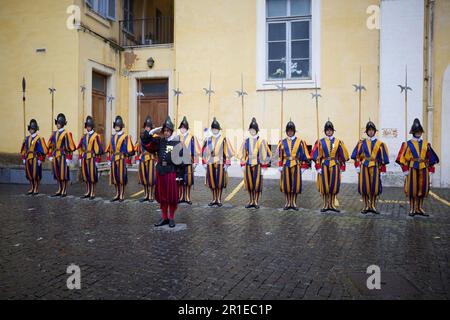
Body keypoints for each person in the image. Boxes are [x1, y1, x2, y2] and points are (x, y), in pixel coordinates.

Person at [141, 116, 185, 228]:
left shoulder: (177, 143)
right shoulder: (159, 141)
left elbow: (181, 161)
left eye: (168, 131)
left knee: (171, 197)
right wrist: (151, 131)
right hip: (161, 172)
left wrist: (179, 176)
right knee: (163, 196)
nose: (166, 133)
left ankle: (171, 218)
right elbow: (146, 143)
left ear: (171, 131)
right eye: (164, 131)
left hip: (171, 172)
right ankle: (164, 217)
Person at [397, 118, 439, 216]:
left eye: (420, 131)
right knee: (412, 189)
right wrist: (405, 170)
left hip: (423, 169)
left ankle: (419, 208)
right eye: (417, 131)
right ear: (413, 132)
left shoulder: (426, 144)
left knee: (422, 189)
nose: (418, 133)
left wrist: (431, 170)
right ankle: (412, 208)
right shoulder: (407, 144)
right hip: (412, 168)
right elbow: (401, 158)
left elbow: (431, 158)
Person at [351, 121, 389, 214]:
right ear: (367, 132)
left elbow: (382, 158)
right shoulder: (361, 143)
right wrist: (357, 166)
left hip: (375, 166)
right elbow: (356, 155)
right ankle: (365, 205)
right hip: (364, 166)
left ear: (375, 131)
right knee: (364, 186)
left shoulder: (380, 144)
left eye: (372, 130)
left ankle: (372, 205)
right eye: (369, 130)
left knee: (374, 187)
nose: (371, 132)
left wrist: (383, 170)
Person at [311, 120, 349, 212]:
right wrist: (318, 167)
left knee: (333, 185)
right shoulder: (320, 142)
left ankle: (331, 204)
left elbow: (342, 155)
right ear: (325, 131)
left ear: (333, 131)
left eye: (330, 130)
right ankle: (325, 205)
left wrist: (342, 165)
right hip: (324, 165)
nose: (329, 131)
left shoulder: (338, 142)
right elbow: (315, 155)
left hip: (334, 165)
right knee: (324, 186)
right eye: (327, 130)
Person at [277, 120, 310, 210]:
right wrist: (280, 165)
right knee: (286, 185)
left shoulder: (300, 142)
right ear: (286, 131)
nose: (290, 132)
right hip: (286, 165)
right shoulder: (282, 142)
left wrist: (303, 167)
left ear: (294, 131)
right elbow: (279, 156)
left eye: (291, 130)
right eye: (288, 130)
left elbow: (304, 155)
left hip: (296, 165)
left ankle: (294, 202)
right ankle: (288, 202)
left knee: (295, 185)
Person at [238, 118, 271, 209]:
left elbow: (265, 154)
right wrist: (242, 164)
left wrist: (264, 167)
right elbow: (243, 153)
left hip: (257, 164)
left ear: (257, 130)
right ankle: (251, 200)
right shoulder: (246, 141)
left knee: (257, 184)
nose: (252, 131)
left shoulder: (261, 141)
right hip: (248, 164)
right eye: (251, 130)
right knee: (249, 184)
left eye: (254, 130)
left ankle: (256, 201)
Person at [202, 118, 235, 207]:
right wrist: (204, 162)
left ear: (219, 129)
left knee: (220, 182)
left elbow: (228, 152)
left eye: (216, 129)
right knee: (212, 181)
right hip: (210, 162)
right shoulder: (208, 139)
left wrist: (227, 164)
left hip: (220, 162)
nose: (215, 130)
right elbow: (203, 152)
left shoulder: (224, 139)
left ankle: (219, 199)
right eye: (213, 129)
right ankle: (214, 199)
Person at [105, 116, 135, 202]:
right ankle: (117, 193)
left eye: (118, 126)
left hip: (121, 158)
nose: (116, 127)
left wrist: (128, 160)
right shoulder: (113, 137)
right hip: (114, 158)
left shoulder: (126, 136)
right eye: (116, 126)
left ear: (121, 126)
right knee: (115, 177)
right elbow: (109, 149)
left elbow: (129, 149)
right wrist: (108, 159)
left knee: (122, 177)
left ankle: (122, 193)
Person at [47, 113, 76, 197]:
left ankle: (64, 189)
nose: (58, 125)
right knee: (57, 173)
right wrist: (50, 155)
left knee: (63, 173)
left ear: (62, 124)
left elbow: (70, 147)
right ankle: (59, 188)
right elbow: (50, 145)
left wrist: (69, 158)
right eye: (57, 123)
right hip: (55, 155)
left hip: (63, 155)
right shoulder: (54, 133)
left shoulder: (67, 133)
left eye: (59, 123)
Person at [77, 116, 103, 200]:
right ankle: (88, 191)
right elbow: (79, 146)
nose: (87, 127)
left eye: (89, 126)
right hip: (85, 157)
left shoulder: (96, 136)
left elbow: (99, 149)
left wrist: (97, 160)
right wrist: (80, 157)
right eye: (87, 126)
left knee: (92, 176)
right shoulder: (84, 136)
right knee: (86, 175)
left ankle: (93, 192)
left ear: (91, 126)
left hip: (92, 157)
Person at [20, 119, 48, 195]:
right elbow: (23, 149)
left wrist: (40, 159)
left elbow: (44, 150)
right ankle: (32, 187)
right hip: (28, 158)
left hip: (35, 158)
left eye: (32, 129)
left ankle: (36, 188)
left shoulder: (39, 139)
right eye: (30, 128)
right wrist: (23, 158)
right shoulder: (26, 138)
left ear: (35, 129)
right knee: (29, 174)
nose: (31, 130)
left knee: (35, 174)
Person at [178, 116, 201, 205]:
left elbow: (196, 150)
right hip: (179, 162)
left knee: (188, 180)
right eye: (181, 128)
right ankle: (180, 196)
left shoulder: (192, 138)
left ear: (187, 129)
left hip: (188, 161)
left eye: (184, 128)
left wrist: (195, 162)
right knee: (179, 179)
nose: (182, 129)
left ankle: (187, 197)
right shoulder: (177, 137)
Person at [135, 116, 158, 203]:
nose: (147, 128)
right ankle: (146, 195)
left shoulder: (155, 136)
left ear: (151, 127)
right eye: (146, 126)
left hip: (151, 158)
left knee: (151, 178)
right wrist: (137, 158)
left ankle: (151, 195)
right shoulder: (141, 136)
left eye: (149, 126)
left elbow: (157, 148)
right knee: (143, 178)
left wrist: (157, 160)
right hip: (142, 158)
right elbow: (137, 147)